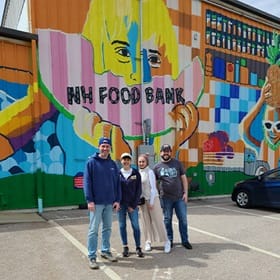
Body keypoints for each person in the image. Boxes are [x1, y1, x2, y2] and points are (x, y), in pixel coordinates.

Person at [83, 137, 121, 269]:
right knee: (93, 230)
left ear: (110, 148)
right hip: (96, 203)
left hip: (109, 202)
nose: (105, 148)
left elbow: (117, 184)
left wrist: (117, 200)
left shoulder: (112, 164)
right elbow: (87, 183)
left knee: (107, 228)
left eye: (107, 146)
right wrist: (90, 200)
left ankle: (105, 251)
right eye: (103, 146)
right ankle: (92, 256)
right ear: (99, 147)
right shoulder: (91, 163)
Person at [153, 144, 192, 250]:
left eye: (168, 151)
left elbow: (184, 178)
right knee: (167, 220)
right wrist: (157, 194)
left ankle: (185, 240)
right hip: (166, 198)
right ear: (160, 152)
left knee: (183, 220)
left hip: (179, 197)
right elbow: (154, 182)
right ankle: (169, 240)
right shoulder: (157, 167)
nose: (166, 153)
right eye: (164, 151)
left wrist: (186, 193)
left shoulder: (177, 163)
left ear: (171, 152)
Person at [137, 154, 171, 253]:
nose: (141, 163)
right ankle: (148, 241)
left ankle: (166, 241)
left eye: (143, 161)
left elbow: (153, 188)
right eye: (139, 161)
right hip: (142, 202)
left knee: (158, 221)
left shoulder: (150, 172)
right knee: (145, 222)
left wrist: (151, 202)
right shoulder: (138, 172)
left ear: (147, 162)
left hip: (152, 200)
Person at [118, 152, 144, 258]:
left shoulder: (135, 173)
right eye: (124, 159)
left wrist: (133, 205)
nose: (126, 161)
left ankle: (138, 247)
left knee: (136, 226)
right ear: (121, 161)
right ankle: (125, 247)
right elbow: (116, 190)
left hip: (132, 205)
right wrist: (117, 203)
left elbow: (138, 190)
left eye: (128, 159)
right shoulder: (117, 173)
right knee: (122, 226)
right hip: (121, 205)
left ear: (130, 161)